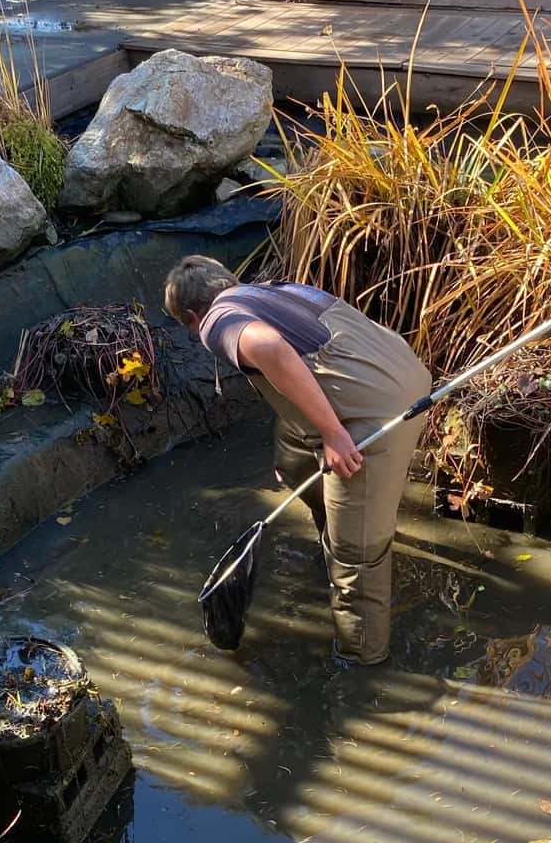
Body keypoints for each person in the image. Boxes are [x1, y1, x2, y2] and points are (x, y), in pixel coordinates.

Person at [164, 256, 431, 667]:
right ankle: (344, 518)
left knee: (355, 558)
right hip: (405, 373)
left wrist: (332, 432)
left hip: (373, 417)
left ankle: (362, 663)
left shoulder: (216, 321)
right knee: (293, 457)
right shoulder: (274, 292)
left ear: (190, 316)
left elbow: (269, 348)